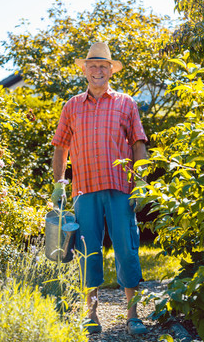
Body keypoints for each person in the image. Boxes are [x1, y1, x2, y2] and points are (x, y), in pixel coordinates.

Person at [51, 41, 148, 336]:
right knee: (87, 251)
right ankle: (90, 313)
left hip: (120, 188)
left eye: (103, 66)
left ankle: (132, 314)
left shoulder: (126, 103)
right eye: (92, 66)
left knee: (127, 249)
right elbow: (60, 147)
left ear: (110, 71)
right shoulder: (72, 106)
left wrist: (142, 182)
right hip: (85, 190)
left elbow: (138, 144)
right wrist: (58, 184)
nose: (97, 71)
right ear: (84, 70)